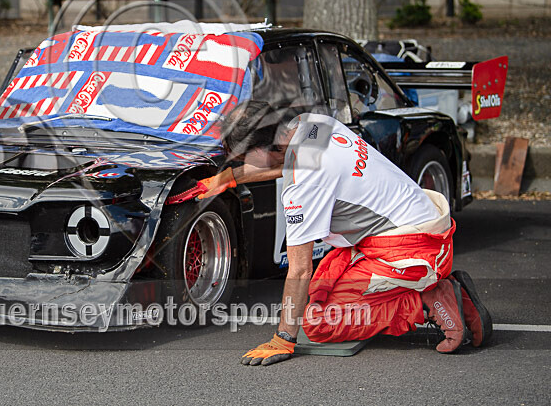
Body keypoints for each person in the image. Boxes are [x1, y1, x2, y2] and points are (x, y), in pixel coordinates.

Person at [196, 101, 492, 366]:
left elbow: (299, 270)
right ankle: (442, 290)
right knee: (322, 287)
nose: (243, 163)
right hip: (419, 227)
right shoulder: (311, 124)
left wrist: (283, 338)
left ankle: (428, 299)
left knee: (319, 322)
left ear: (265, 149)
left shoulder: (303, 186)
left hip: (411, 249)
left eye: (245, 157)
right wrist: (229, 178)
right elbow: (290, 162)